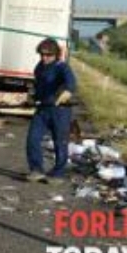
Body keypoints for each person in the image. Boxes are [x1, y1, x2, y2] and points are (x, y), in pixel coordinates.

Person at [25, 38, 77, 183]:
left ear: (56, 54)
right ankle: (36, 170)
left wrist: (65, 94)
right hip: (42, 109)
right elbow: (38, 86)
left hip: (60, 111)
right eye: (42, 54)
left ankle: (58, 173)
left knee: (60, 142)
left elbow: (71, 83)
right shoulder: (39, 67)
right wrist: (33, 97)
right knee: (33, 138)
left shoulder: (62, 67)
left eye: (48, 55)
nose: (44, 58)